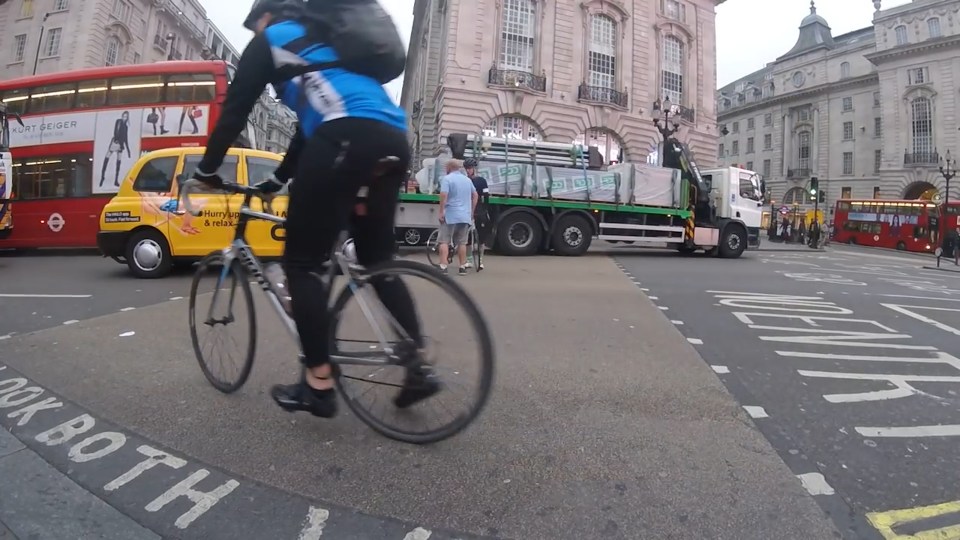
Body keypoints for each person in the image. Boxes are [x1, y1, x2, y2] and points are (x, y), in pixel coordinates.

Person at [188, 0, 439, 419]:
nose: (255, 34)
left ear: (264, 19)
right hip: (392, 139)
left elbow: (235, 111)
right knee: (378, 258)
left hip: (346, 137)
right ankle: (417, 365)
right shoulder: (330, 44)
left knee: (302, 263)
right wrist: (278, 179)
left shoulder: (271, 40)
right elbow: (311, 127)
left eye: (254, 27)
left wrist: (208, 170)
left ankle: (318, 384)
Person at [437, 159, 477, 275]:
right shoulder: (467, 180)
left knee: (444, 241)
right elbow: (475, 195)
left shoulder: (447, 179)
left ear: (449, 168)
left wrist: (441, 211)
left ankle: (443, 266)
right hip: (464, 216)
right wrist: (471, 211)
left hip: (450, 215)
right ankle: (462, 267)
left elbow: (444, 195)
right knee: (462, 242)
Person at [464, 157, 490, 271]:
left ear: (474, 169)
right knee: (467, 238)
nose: (468, 171)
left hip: (479, 210)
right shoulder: (465, 180)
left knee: (481, 237)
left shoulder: (481, 181)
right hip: (467, 209)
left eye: (469, 168)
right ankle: (469, 259)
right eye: (466, 169)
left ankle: (480, 260)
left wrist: (485, 209)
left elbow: (486, 196)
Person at [99, 111, 130, 188]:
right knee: (107, 158)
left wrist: (128, 149)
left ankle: (116, 180)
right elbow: (115, 130)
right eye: (123, 116)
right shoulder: (118, 121)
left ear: (127, 118)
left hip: (121, 145)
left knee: (118, 162)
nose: (124, 118)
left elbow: (126, 138)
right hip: (115, 142)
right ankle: (102, 176)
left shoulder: (126, 126)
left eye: (126, 117)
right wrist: (116, 139)